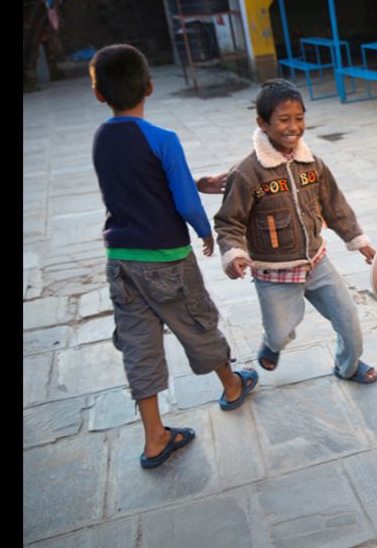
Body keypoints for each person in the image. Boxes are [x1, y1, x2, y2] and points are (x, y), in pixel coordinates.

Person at [89, 44, 258, 470]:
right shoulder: (162, 139)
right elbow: (181, 200)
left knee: (138, 344)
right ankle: (232, 386)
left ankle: (154, 438)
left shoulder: (101, 138)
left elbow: (138, 185)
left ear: (98, 94)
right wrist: (204, 231)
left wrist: (193, 180)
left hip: (122, 261)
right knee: (197, 322)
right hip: (166, 258)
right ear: (149, 86)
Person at [213, 79, 377, 384]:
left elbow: (335, 206)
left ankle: (348, 366)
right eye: (284, 119)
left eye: (299, 118)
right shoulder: (247, 173)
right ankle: (273, 343)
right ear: (262, 123)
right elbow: (229, 221)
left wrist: (359, 241)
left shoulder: (313, 164)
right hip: (274, 273)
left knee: (349, 320)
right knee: (280, 329)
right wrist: (233, 253)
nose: (294, 127)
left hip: (317, 263)